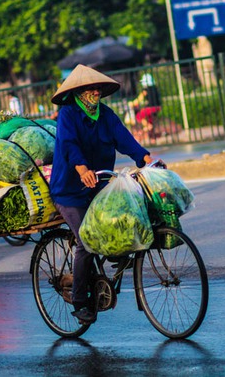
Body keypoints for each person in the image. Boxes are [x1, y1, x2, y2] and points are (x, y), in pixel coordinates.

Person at [49, 64, 160, 325]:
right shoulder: (68, 115)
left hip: (99, 183)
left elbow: (124, 138)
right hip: (70, 190)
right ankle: (79, 301)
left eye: (97, 88)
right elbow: (69, 144)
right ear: (78, 92)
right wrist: (81, 168)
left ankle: (115, 254)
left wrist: (144, 157)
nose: (95, 92)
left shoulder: (106, 115)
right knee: (87, 242)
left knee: (124, 215)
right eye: (90, 88)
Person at [128, 73, 162, 141]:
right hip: (158, 107)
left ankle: (147, 127)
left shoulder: (145, 90)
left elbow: (139, 99)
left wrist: (132, 103)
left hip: (150, 108)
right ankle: (152, 138)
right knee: (150, 120)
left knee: (138, 116)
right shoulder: (155, 88)